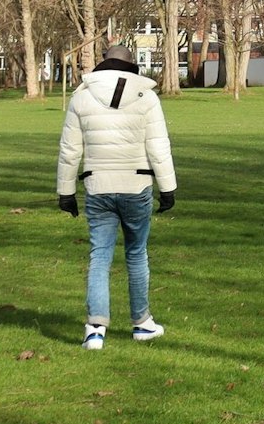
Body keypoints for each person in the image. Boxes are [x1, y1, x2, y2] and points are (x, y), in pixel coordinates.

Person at [55, 45, 178, 350]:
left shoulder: (81, 96)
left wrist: (65, 192)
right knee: (136, 255)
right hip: (136, 187)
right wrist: (168, 188)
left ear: (103, 64)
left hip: (98, 187)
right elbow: (158, 147)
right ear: (131, 65)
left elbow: (70, 150)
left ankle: (95, 329)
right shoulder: (147, 97)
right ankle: (142, 324)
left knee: (100, 257)